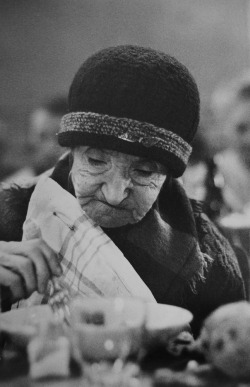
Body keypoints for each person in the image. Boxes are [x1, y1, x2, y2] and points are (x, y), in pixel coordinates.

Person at [0, 45, 245, 335]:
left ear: (168, 176)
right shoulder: (12, 217)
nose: (115, 194)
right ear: (72, 152)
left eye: (144, 171)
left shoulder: (208, 260)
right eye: (96, 161)